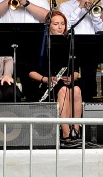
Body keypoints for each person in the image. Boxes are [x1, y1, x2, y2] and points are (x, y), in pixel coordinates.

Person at [28, 11, 83, 142]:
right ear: (48, 26)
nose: (60, 27)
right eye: (56, 24)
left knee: (76, 90)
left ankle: (76, 131)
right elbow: (30, 72)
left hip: (66, 83)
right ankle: (66, 133)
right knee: (64, 91)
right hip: (46, 85)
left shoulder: (70, 42)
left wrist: (72, 78)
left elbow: (76, 71)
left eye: (63, 24)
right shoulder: (40, 44)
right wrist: (45, 79)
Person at [58, 0, 103, 103]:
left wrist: (93, 14)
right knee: (73, 80)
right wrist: (79, 7)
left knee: (90, 81)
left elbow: (101, 29)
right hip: (72, 46)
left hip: (90, 47)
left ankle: (88, 106)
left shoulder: (91, 6)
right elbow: (66, 25)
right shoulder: (64, 6)